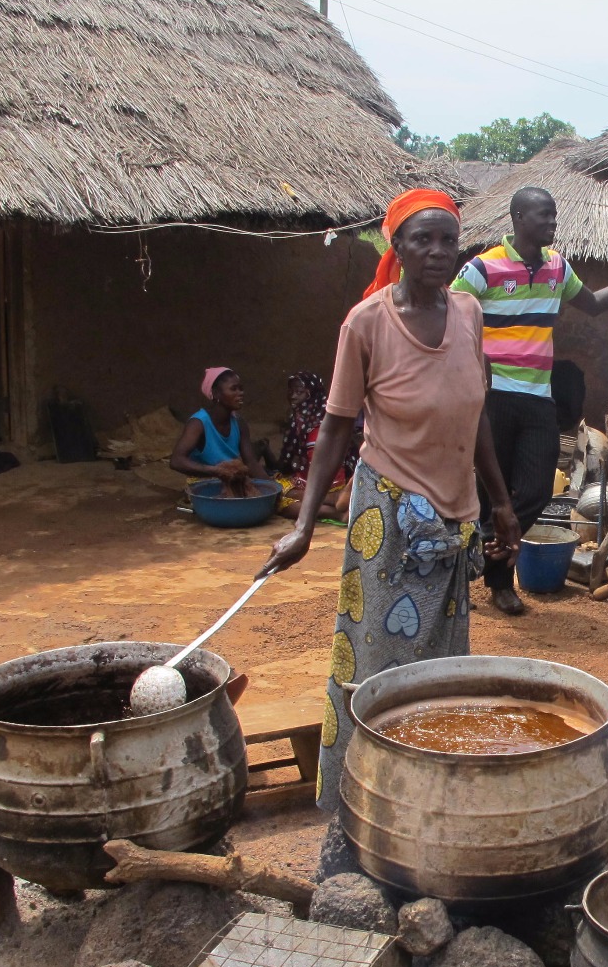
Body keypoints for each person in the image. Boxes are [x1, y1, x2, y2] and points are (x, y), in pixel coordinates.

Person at [262, 189, 522, 809]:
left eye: (447, 240)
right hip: (392, 518)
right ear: (396, 247)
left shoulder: (468, 312)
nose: (437, 251)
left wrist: (501, 502)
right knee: (376, 659)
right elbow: (335, 427)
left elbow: (476, 413)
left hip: (456, 516)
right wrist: (302, 525)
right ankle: (358, 798)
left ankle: (426, 796)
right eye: (421, 240)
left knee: (442, 662)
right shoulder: (368, 322)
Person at [452, 187, 608, 616]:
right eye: (544, 215)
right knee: (494, 491)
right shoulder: (483, 268)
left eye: (554, 215)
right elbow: (448, 311)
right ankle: (500, 584)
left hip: (537, 398)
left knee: (536, 488)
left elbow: (596, 304)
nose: (552, 222)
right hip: (492, 398)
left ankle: (485, 542)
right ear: (519, 216)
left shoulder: (558, 268)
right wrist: (472, 363)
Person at [275, 372, 357, 522]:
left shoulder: (313, 429)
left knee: (279, 495)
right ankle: (333, 502)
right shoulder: (320, 420)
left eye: (299, 392)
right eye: (291, 392)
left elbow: (317, 466)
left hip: (321, 484)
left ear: (311, 395)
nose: (293, 396)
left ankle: (333, 508)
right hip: (335, 483)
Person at [169, 367, 270, 488]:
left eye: (241, 389)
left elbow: (251, 463)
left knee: (286, 495)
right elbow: (176, 461)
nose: (240, 393)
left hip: (231, 481)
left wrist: (272, 487)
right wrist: (216, 471)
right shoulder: (199, 423)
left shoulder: (239, 423)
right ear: (216, 393)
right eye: (234, 389)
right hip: (202, 486)